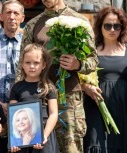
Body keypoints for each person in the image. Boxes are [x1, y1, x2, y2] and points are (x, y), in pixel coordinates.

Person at [19, 0, 99, 152]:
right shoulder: (33, 24)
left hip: (69, 99)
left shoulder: (80, 21)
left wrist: (78, 64)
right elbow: (21, 64)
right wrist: (21, 98)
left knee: (71, 148)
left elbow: (93, 60)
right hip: (40, 98)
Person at [82, 6, 127, 153]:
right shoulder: (90, 51)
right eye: (108, 25)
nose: (112, 30)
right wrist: (86, 87)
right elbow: (77, 77)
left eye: (117, 26)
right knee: (97, 143)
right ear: (100, 26)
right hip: (97, 106)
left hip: (123, 107)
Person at [9, 43, 59, 153]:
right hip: (22, 140)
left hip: (43, 138)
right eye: (28, 62)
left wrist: (44, 136)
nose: (32, 66)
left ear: (44, 65)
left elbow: (53, 114)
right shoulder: (16, 88)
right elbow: (13, 115)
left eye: (36, 63)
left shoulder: (48, 87)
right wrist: (14, 141)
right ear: (22, 64)